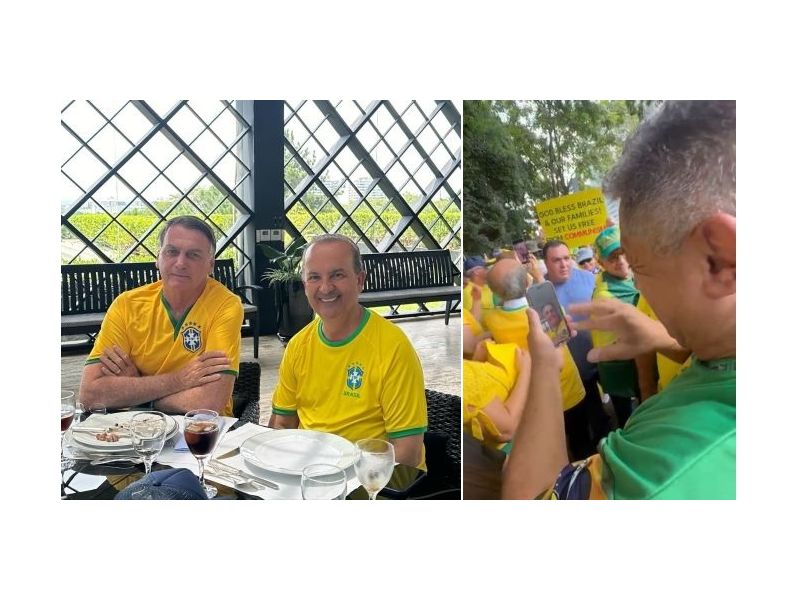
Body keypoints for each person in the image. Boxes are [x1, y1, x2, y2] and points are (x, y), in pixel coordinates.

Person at [503, 100, 735, 499]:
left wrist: (545, 363)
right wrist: (665, 339)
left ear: (719, 260)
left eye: (640, 266)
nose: (636, 283)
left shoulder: (662, 471)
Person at [269, 234, 428, 469]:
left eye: (337, 275)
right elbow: (282, 424)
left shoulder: (392, 347)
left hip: (372, 478)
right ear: (305, 285)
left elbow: (407, 454)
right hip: (309, 475)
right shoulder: (298, 346)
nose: (325, 288)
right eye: (314, 277)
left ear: (360, 280)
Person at [79, 216, 242, 416]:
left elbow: (209, 401)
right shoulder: (127, 305)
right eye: (172, 252)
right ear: (158, 258)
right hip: (133, 427)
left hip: (202, 428)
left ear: (210, 265)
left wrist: (137, 393)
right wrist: (179, 380)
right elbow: (90, 394)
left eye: (193, 255)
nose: (180, 263)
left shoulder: (225, 305)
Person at [481, 258, 592, 460]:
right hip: (568, 387)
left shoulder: (492, 320)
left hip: (535, 396)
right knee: (580, 438)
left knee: (551, 447)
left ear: (495, 293)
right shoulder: (549, 309)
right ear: (527, 282)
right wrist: (538, 278)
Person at [543, 239, 610, 446]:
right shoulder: (542, 292)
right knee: (590, 416)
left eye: (566, 258)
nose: (564, 264)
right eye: (556, 260)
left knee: (618, 405)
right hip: (576, 368)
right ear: (546, 263)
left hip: (603, 357)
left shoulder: (589, 279)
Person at [590, 225, 641, 428]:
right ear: (601, 263)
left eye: (623, 252)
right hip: (618, 367)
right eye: (612, 257)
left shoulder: (635, 276)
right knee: (628, 419)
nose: (620, 260)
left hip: (638, 360)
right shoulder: (604, 295)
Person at [463, 255, 494, 324]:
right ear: (476, 272)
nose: (487, 271)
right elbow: (472, 321)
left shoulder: (487, 288)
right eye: (485, 269)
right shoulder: (468, 292)